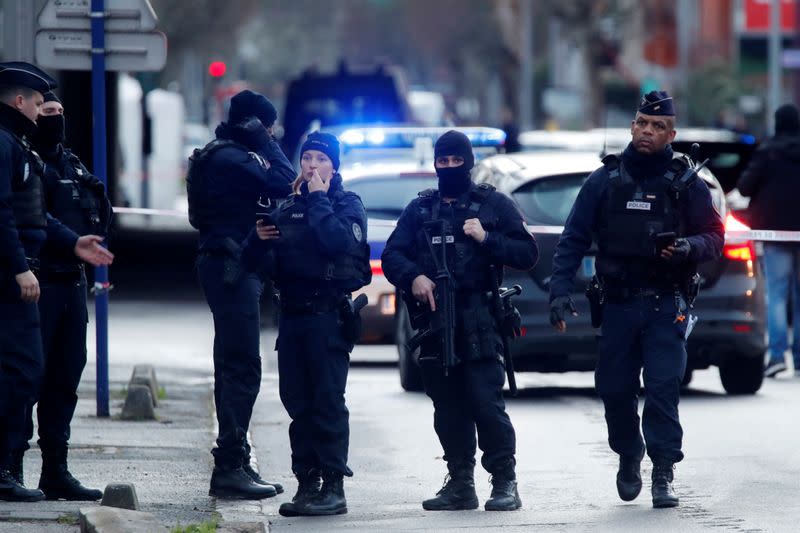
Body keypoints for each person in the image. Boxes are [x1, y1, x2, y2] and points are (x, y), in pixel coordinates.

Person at [548, 91, 724, 508]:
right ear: (632, 126)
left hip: (667, 303)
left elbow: (715, 238)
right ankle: (629, 452)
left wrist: (686, 247)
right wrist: (559, 291)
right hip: (619, 305)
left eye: (658, 126)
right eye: (642, 123)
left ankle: (663, 470)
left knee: (663, 387)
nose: (648, 131)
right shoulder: (605, 180)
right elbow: (573, 238)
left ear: (671, 134)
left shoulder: (686, 184)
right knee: (614, 389)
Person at [381, 130, 539, 512]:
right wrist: (414, 277)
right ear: (435, 163)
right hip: (436, 322)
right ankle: (460, 483)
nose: (450, 168)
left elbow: (527, 252)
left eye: (456, 161)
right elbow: (391, 256)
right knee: (447, 406)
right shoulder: (420, 209)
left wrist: (487, 238)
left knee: (486, 403)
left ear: (468, 163)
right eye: (443, 162)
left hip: (480, 318)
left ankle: (504, 481)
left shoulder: (492, 204)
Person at [0, 61, 114, 502]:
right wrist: (20, 266)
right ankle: (9, 466)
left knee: (63, 378)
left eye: (56, 111)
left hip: (68, 282)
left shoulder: (53, 157)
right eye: (40, 108)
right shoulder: (15, 149)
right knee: (24, 375)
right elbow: (8, 216)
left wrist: (73, 244)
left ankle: (54, 470)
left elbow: (38, 216)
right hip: (33, 281)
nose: (48, 116)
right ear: (21, 102)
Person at [246, 131, 371, 516]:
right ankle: (307, 482)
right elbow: (263, 267)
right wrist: (259, 240)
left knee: (327, 402)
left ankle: (334, 486)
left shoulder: (347, 205)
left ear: (334, 166)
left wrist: (317, 198)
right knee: (297, 402)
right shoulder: (288, 207)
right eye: (307, 159)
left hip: (328, 318)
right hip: (293, 318)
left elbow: (337, 243)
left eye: (320, 159)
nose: (311, 166)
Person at [188, 89, 295, 500]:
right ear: (253, 123)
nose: (272, 134)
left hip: (234, 265)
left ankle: (237, 459)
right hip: (231, 268)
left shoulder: (229, 154)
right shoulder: (232, 157)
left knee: (238, 363)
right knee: (241, 366)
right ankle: (229, 466)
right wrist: (266, 141)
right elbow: (287, 182)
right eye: (268, 127)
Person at [737, 103, 800, 378]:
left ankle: (776, 355)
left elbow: (744, 187)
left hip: (774, 233)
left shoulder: (768, 151)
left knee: (776, 294)